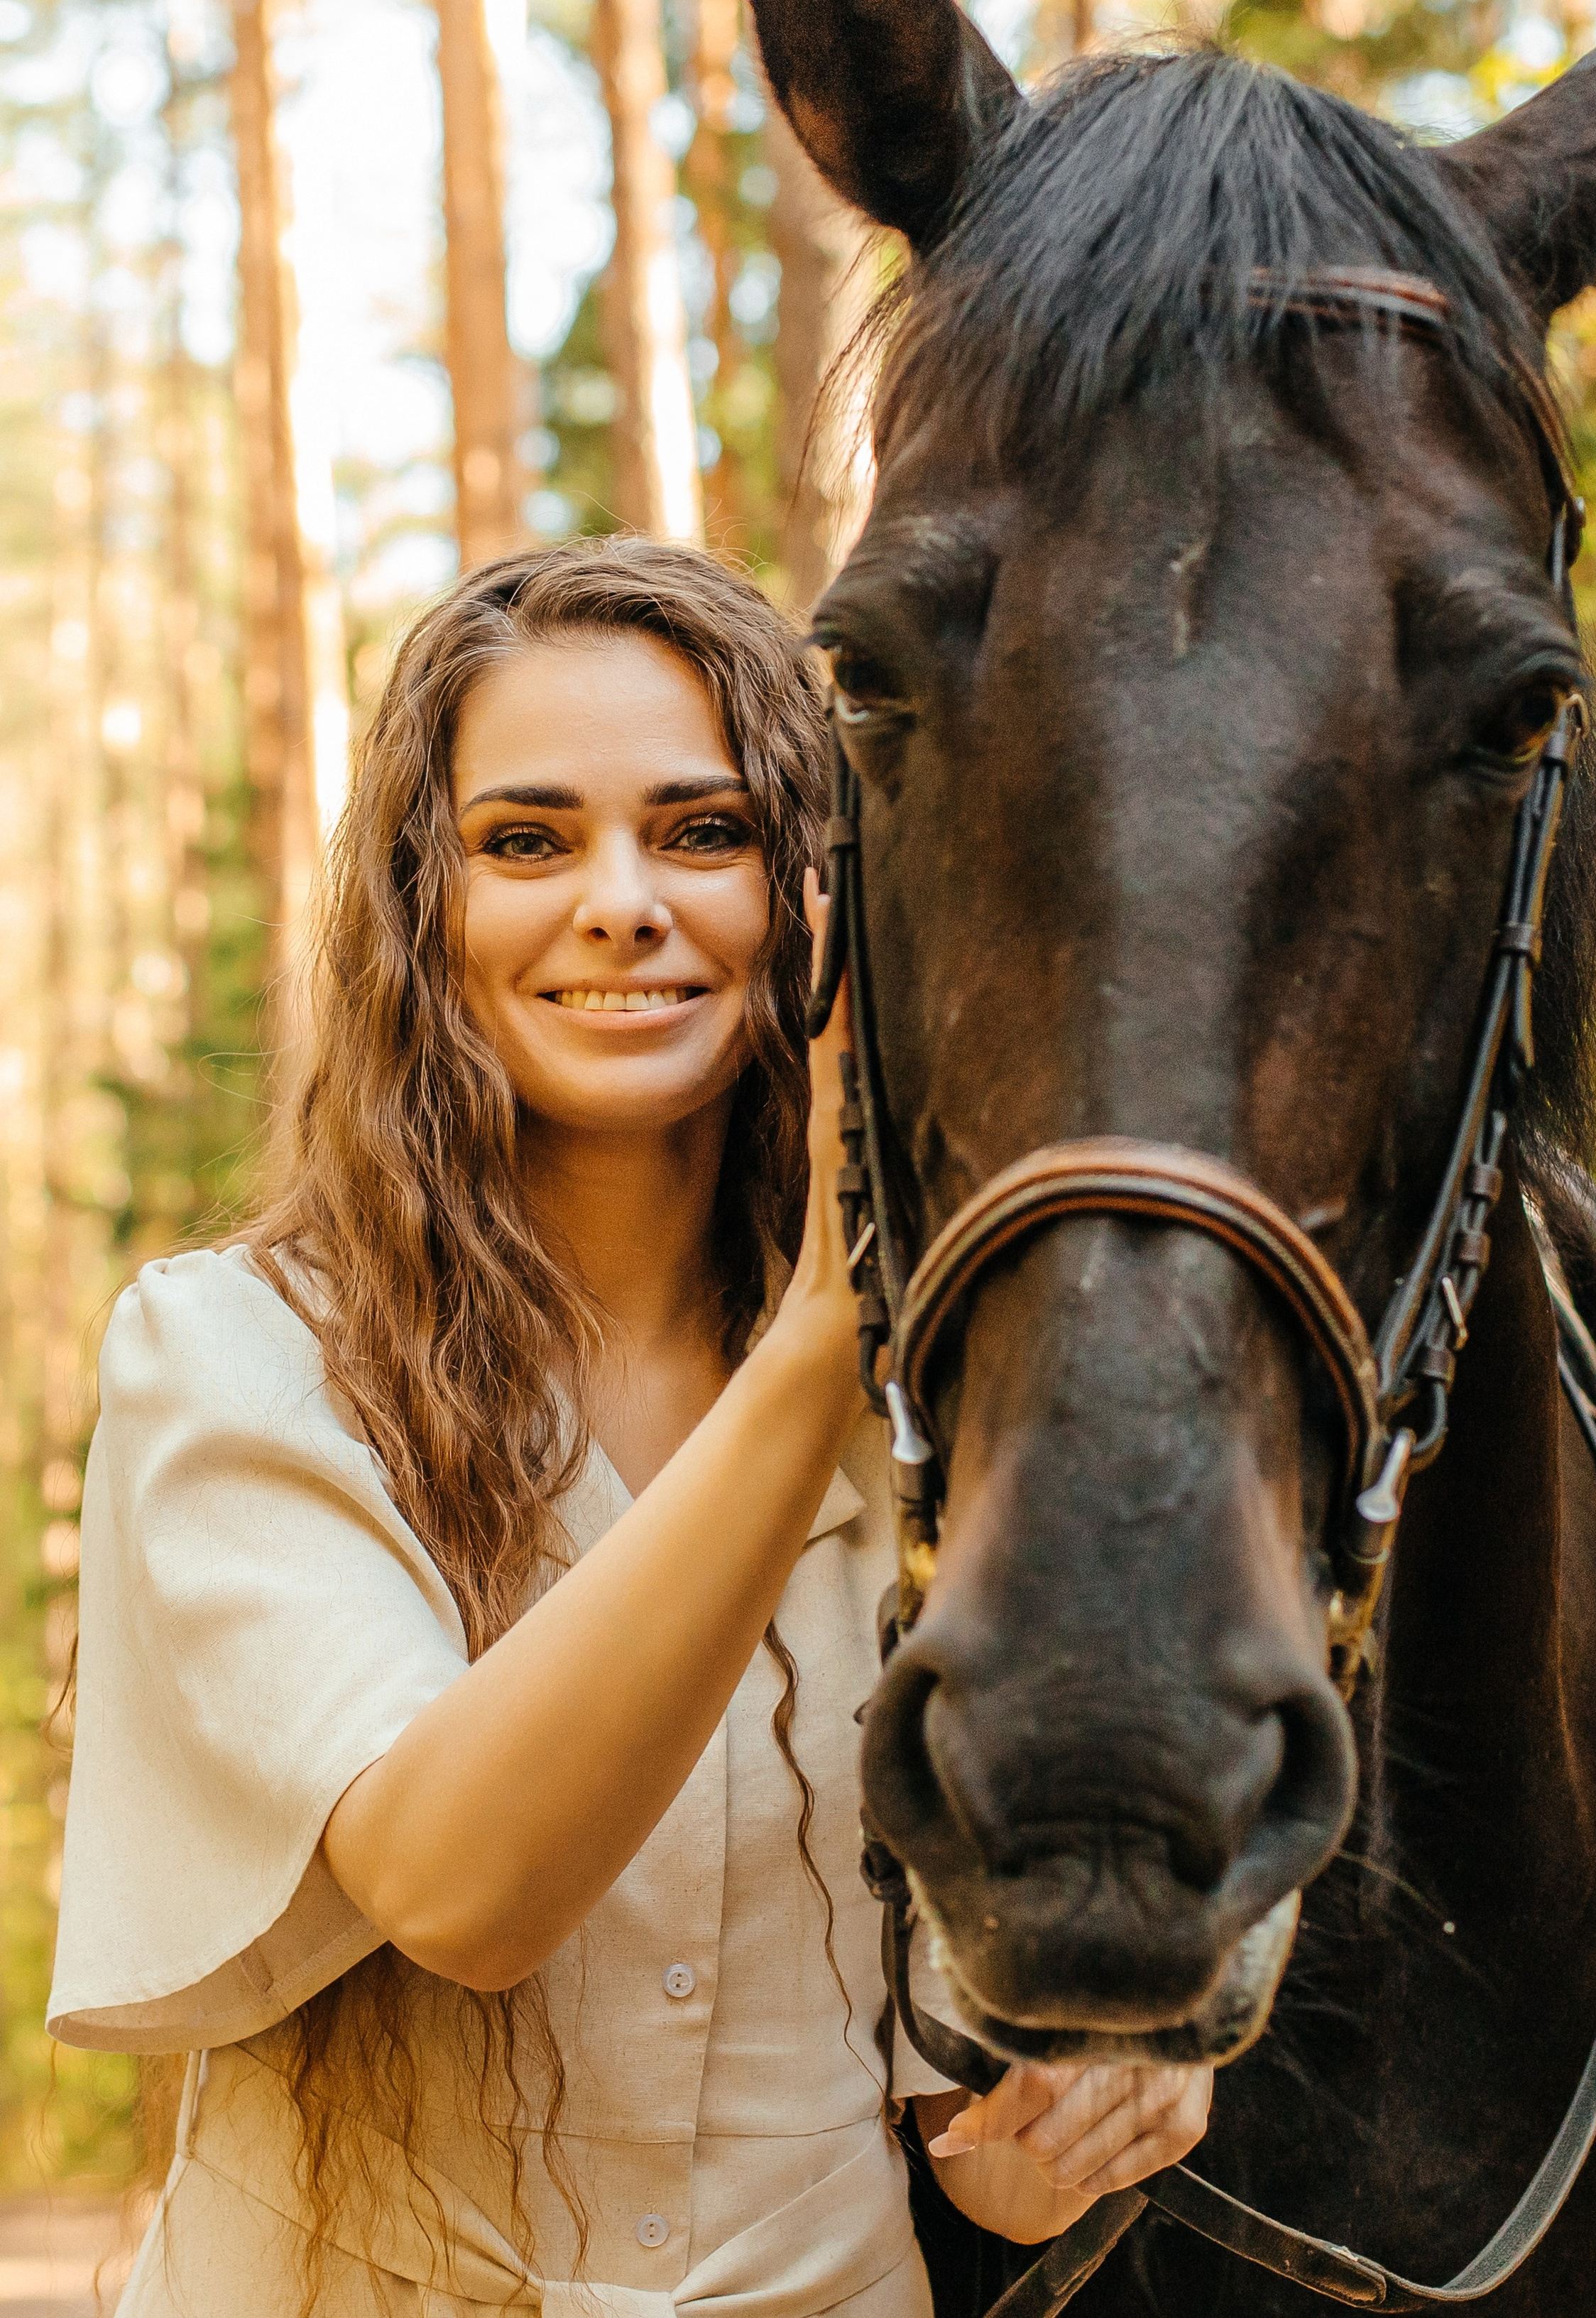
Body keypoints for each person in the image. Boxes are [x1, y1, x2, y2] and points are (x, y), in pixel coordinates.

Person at [48, 540, 1215, 2317]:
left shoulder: (957, 1415)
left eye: (703, 830)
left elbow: (946, 2117)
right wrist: (831, 1318)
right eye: (527, 840)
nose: (618, 900)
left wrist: (1068, 2118)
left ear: (821, 899)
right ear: (421, 901)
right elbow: (460, 1883)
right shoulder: (237, 1361)